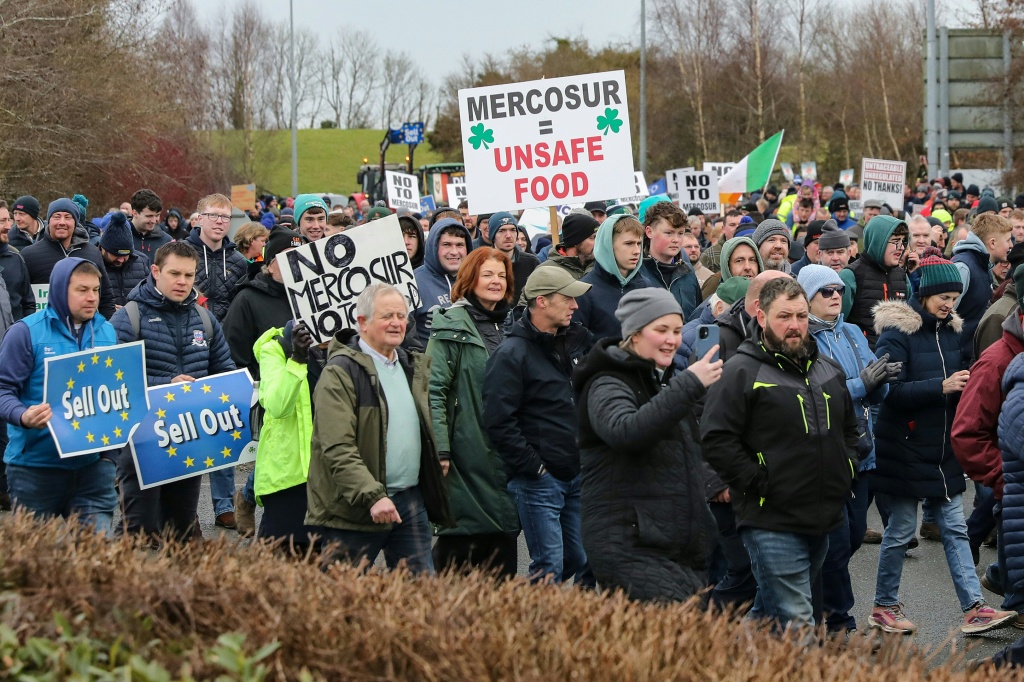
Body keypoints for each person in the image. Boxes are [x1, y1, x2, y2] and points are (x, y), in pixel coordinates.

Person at [701, 277, 858, 632]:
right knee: (798, 621)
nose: (795, 325)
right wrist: (760, 482)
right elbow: (716, 438)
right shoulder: (741, 371)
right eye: (784, 316)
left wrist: (847, 467)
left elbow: (850, 428)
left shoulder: (828, 369)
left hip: (822, 516)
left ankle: (723, 656)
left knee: (768, 613)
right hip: (769, 519)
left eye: (801, 316)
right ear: (761, 317)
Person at [869, 256, 1015, 635]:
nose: (950, 304)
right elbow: (888, 392)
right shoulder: (896, 333)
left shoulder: (952, 331)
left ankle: (975, 609)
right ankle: (884, 606)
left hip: (942, 448)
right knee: (900, 530)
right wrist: (942, 386)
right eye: (943, 297)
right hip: (904, 447)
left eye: (954, 297)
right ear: (925, 294)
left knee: (955, 529)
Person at [575, 288, 721, 602]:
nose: (672, 340)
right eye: (661, 330)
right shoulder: (607, 381)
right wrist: (689, 384)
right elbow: (626, 431)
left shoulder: (660, 383)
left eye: (677, 331)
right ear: (635, 334)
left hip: (676, 548)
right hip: (631, 546)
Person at [306, 284, 453, 574]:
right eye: (387, 316)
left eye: (401, 315)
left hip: (409, 502)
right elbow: (337, 448)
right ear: (362, 322)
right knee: (340, 596)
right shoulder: (340, 372)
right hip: (354, 509)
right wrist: (373, 496)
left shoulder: (411, 366)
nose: (397, 323)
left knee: (421, 596)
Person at [110, 241, 235, 543]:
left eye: (189, 275)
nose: (182, 282)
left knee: (182, 537)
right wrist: (165, 385)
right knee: (136, 535)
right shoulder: (129, 317)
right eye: (174, 273)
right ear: (155, 271)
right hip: (142, 441)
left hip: (188, 439)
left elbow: (225, 370)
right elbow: (114, 381)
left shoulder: (204, 319)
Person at [797, 265, 896, 634]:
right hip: (828, 452)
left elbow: (876, 391)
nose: (835, 296)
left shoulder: (853, 331)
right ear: (807, 298)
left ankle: (816, 603)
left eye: (838, 289)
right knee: (836, 545)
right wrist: (860, 384)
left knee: (854, 536)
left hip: (863, 447)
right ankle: (840, 623)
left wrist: (882, 381)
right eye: (825, 291)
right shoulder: (802, 338)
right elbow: (813, 393)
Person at [484, 267, 595, 585]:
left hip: (575, 472)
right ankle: (532, 617)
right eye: (567, 298)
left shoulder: (576, 343)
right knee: (549, 566)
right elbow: (497, 420)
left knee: (578, 557)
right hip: (539, 480)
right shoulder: (511, 354)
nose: (575, 305)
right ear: (542, 301)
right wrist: (534, 468)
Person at [0, 259, 118, 534]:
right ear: (59, 290)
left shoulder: (106, 331)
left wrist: (109, 458)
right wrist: (22, 415)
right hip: (35, 469)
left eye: (96, 290)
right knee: (35, 557)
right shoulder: (25, 332)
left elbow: (116, 396)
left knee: (95, 556)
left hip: (93, 470)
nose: (92, 298)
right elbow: (3, 389)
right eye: (82, 290)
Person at [426, 248, 520, 576]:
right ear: (470, 279)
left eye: (502, 275)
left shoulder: (513, 324)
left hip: (506, 448)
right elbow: (434, 391)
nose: (496, 281)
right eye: (487, 274)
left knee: (503, 542)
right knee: (463, 539)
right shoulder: (450, 324)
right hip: (465, 451)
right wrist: (441, 448)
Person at [186, 194, 248, 529]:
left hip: (224, 351)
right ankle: (185, 509)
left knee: (222, 428)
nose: (220, 222)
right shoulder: (182, 253)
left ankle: (224, 505)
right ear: (199, 218)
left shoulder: (238, 261)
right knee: (187, 431)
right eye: (213, 215)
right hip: (186, 349)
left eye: (226, 217)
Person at [252, 320, 322, 552]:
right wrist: (297, 360)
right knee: (286, 561)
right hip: (289, 479)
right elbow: (277, 406)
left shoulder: (348, 347)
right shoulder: (277, 348)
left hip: (333, 477)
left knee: (330, 562)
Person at [21, 198, 116, 319]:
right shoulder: (29, 255)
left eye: (68, 217)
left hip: (86, 328)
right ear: (48, 221)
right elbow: (21, 300)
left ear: (75, 222)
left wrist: (107, 326)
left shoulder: (92, 253)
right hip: (44, 328)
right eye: (57, 217)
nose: (62, 222)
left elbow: (106, 297)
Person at [839, 215, 912, 351]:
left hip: (897, 355)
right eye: (895, 241)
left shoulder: (902, 276)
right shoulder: (851, 275)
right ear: (878, 241)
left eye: (903, 241)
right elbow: (837, 325)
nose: (901, 247)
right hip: (862, 356)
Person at [573, 214, 651, 340]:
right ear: (608, 245)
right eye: (629, 243)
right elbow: (577, 345)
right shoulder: (584, 291)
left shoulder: (646, 286)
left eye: (639, 243)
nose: (637, 251)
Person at [953, 212, 1013, 364]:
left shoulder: (983, 266)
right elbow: (945, 315)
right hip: (959, 361)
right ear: (992, 243)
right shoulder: (964, 267)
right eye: (1008, 240)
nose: (1011, 245)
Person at [412, 218, 474, 343]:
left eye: (460, 245)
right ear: (434, 247)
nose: (454, 252)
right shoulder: (414, 282)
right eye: (446, 245)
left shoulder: (476, 280)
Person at [640, 199, 701, 320]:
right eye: (669, 233)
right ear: (649, 232)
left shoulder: (688, 272)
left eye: (680, 233)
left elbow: (697, 318)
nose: (676, 240)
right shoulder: (636, 272)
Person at [98, 212, 150, 309]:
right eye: (116, 255)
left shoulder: (141, 262)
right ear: (104, 248)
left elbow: (150, 296)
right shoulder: (92, 263)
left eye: (126, 255)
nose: (121, 260)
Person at [487, 212, 539, 306]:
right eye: (502, 230)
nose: (508, 235)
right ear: (493, 235)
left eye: (512, 230)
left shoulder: (531, 262)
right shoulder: (483, 263)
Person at [128, 189, 173, 257]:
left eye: (157, 215)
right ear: (135, 213)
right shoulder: (119, 237)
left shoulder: (166, 241)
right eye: (149, 216)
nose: (154, 221)